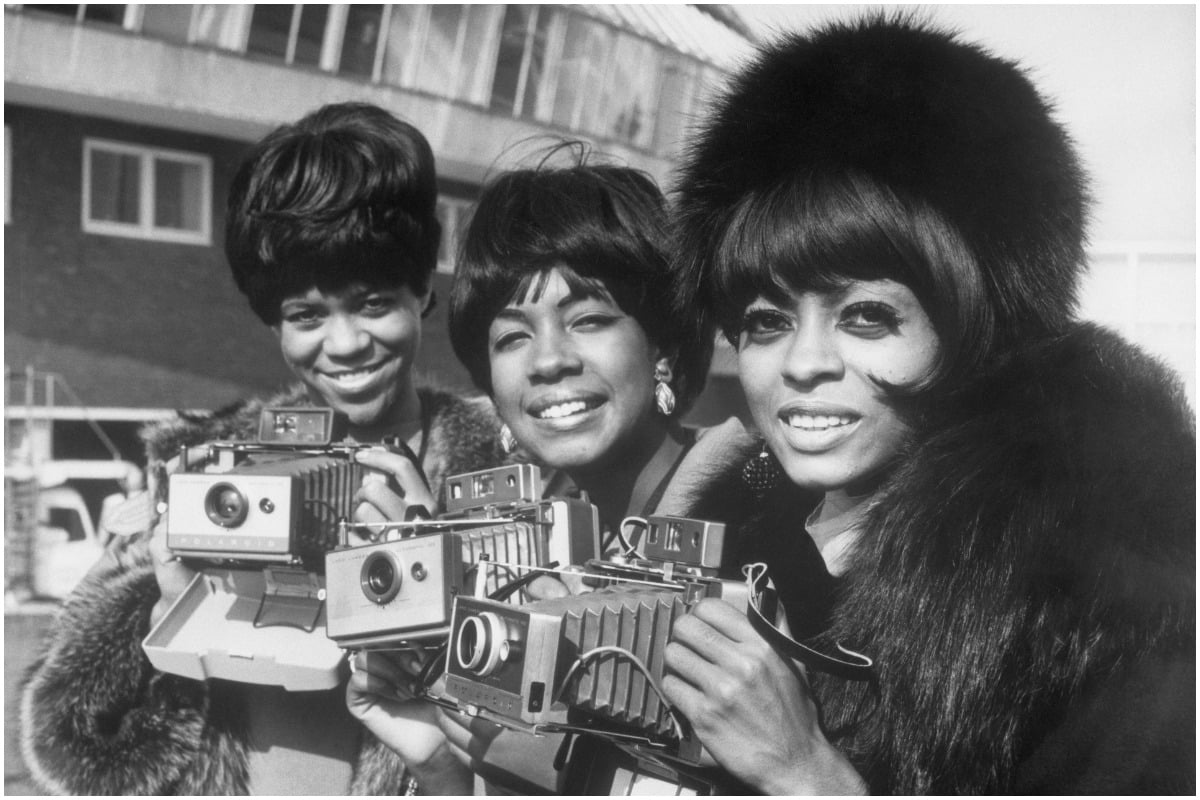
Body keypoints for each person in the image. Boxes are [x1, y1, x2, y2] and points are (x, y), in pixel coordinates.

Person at [661, 14, 1195, 794]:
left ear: (973, 329)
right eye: (765, 322)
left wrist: (808, 774)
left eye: (867, 316)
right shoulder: (730, 548)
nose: (804, 364)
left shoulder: (1103, 603)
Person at [19, 102, 508, 795]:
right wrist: (162, 619)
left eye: (371, 303)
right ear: (273, 322)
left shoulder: (505, 467)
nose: (343, 345)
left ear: (422, 290)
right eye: (306, 315)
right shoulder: (201, 468)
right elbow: (70, 744)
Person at [345, 147, 761, 793]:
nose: (548, 362)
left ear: (664, 343)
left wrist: (573, 773)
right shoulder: (525, 549)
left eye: (588, 320)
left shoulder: (763, 521)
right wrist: (437, 761)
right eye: (512, 337)